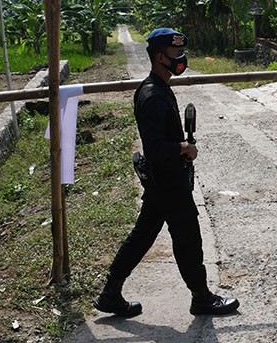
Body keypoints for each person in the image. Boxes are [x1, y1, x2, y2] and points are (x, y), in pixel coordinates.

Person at [93, 28, 240, 317]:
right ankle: (201, 298)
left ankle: (110, 293)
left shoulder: (159, 88)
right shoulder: (152, 95)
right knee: (188, 239)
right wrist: (184, 147)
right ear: (160, 57)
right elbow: (155, 147)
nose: (181, 59)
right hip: (168, 180)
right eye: (175, 55)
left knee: (142, 236)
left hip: (164, 180)